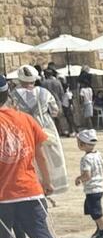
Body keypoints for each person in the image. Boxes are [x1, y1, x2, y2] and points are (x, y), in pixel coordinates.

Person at [0, 73, 70, 238]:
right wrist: (47, 182)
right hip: (30, 189)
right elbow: (40, 154)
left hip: (2, 196)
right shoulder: (26, 120)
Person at [10, 65, 69, 198]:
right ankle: (51, 184)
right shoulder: (44, 92)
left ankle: (36, 185)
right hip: (44, 125)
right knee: (48, 155)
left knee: (29, 158)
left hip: (23, 126)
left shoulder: (13, 94)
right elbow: (55, 111)